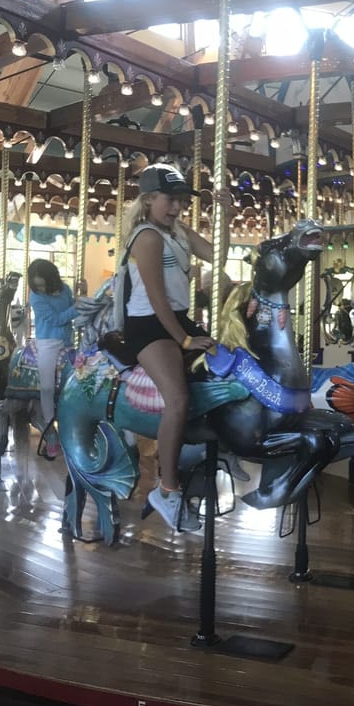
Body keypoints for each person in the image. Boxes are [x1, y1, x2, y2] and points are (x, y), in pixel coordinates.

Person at [121, 163, 232, 531]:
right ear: (149, 199)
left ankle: (207, 455)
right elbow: (155, 299)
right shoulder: (146, 237)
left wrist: (225, 215)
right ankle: (166, 488)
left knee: (227, 369)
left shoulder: (179, 232)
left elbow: (217, 256)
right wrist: (184, 340)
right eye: (170, 201)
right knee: (178, 399)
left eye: (181, 202)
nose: (176, 208)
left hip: (178, 318)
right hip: (150, 324)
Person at [27, 259, 77, 459]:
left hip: (68, 340)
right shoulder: (36, 297)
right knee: (47, 387)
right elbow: (57, 319)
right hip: (48, 341)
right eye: (37, 284)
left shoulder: (65, 289)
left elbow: (72, 309)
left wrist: (80, 300)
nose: (40, 287)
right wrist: (77, 308)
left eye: (43, 283)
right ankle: (50, 434)